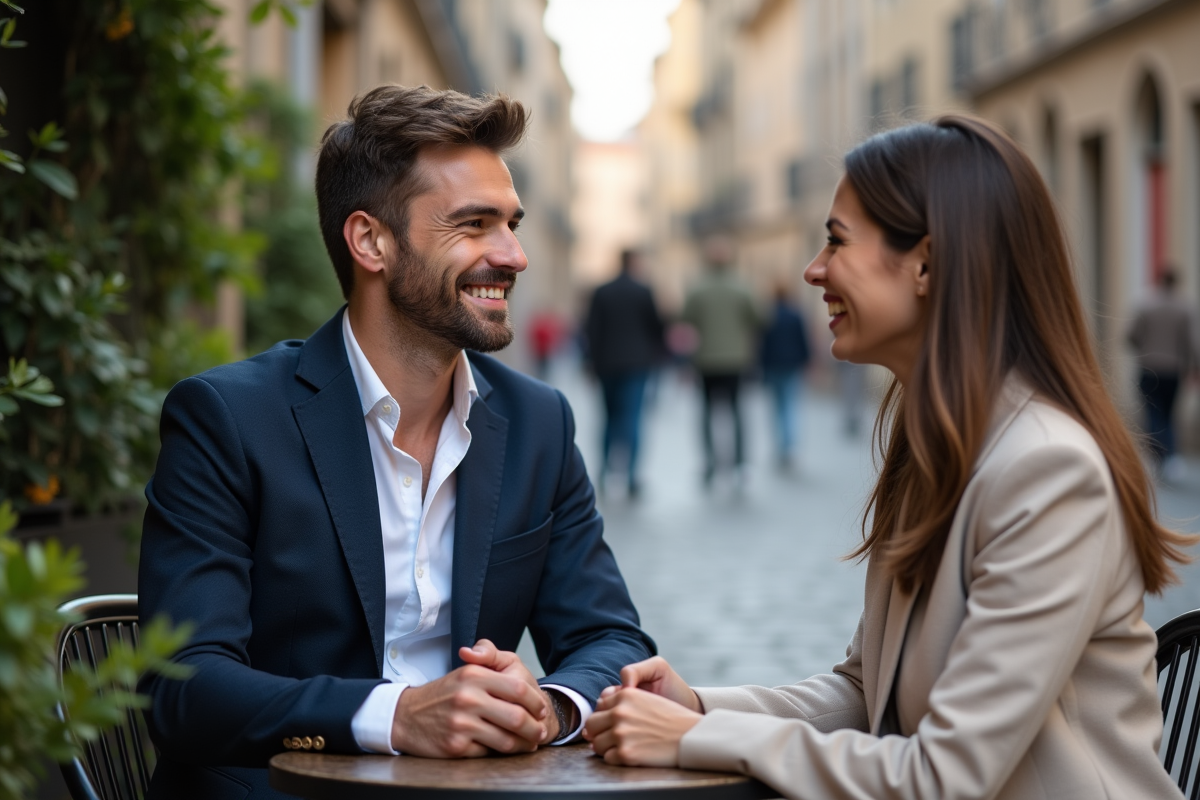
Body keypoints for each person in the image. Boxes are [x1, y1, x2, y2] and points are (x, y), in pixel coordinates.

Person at [583, 115, 1194, 799]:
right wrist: (697, 707)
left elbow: (944, 777)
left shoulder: (1046, 471)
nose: (814, 270)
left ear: (927, 263)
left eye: (836, 241)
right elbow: (867, 690)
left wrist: (697, 741)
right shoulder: (946, 442)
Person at [138, 85, 654, 800]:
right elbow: (186, 687)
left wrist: (551, 705)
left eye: (511, 223)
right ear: (370, 241)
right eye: (474, 224)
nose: (514, 255)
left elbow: (612, 641)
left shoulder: (540, 422)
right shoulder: (226, 418)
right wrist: (398, 716)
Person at [583, 248, 666, 497]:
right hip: (636, 364)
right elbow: (657, 328)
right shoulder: (644, 291)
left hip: (606, 363)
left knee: (608, 418)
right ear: (635, 262)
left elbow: (591, 329)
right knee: (633, 418)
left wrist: (589, 362)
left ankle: (606, 472)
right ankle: (631, 476)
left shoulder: (602, 291)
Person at [681, 239, 763, 485]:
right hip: (736, 360)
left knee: (706, 413)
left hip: (705, 360)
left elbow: (685, 319)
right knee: (737, 412)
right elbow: (759, 318)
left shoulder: (697, 288)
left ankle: (710, 462)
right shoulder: (743, 287)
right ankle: (739, 463)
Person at [1128, 267, 1199, 480]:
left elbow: (1131, 335)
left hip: (1149, 367)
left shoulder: (1145, 304)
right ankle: (1170, 456)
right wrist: (1195, 366)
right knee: (1169, 413)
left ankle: (1156, 455)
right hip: (1174, 369)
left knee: (1152, 412)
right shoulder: (1184, 308)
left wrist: (1144, 349)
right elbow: (1190, 341)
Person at [759, 282, 811, 469]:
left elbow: (762, 346)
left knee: (776, 407)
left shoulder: (768, 316)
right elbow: (803, 341)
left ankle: (780, 446)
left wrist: (761, 367)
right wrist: (807, 361)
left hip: (773, 366)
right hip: (792, 365)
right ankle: (789, 446)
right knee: (790, 405)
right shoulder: (795, 315)